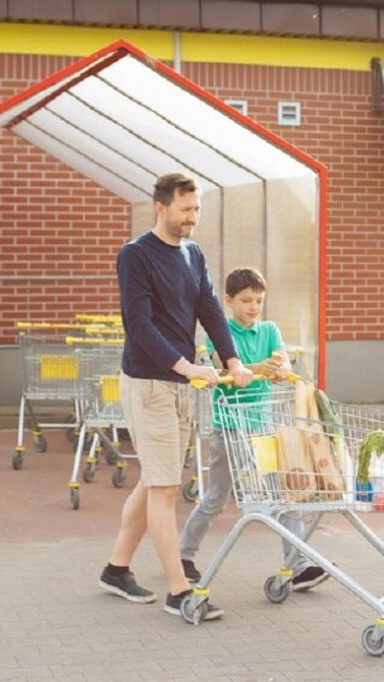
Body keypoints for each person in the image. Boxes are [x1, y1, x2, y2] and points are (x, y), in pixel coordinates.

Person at [98, 172, 253, 621]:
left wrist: (233, 361)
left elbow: (208, 308)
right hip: (151, 384)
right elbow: (139, 325)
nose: (193, 218)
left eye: (198, 209)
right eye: (186, 209)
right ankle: (179, 591)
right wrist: (183, 366)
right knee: (165, 489)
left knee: (154, 480)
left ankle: (116, 568)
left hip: (184, 384)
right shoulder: (135, 256)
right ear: (160, 207)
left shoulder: (193, 252)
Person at [179, 267, 329, 592]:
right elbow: (223, 368)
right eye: (246, 300)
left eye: (259, 300)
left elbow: (283, 362)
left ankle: (298, 565)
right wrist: (259, 369)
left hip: (263, 426)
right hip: (230, 429)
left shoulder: (270, 330)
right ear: (229, 300)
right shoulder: (218, 332)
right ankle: (183, 555)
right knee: (217, 499)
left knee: (282, 493)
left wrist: (279, 369)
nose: (253, 307)